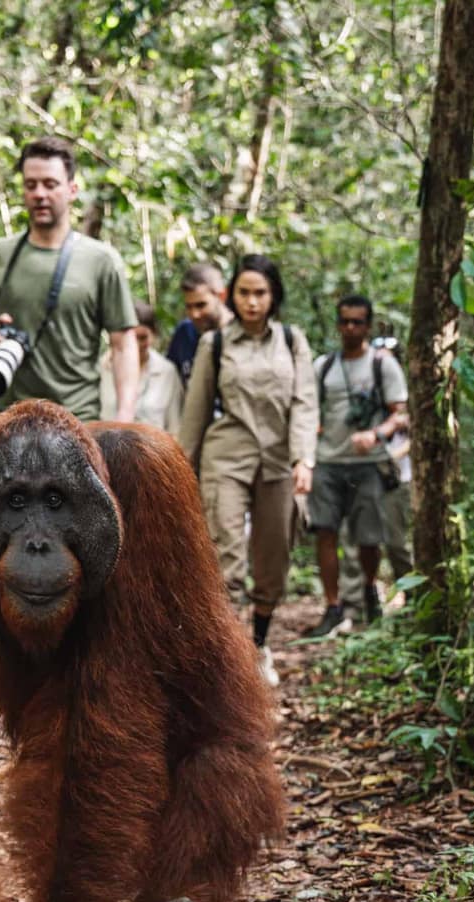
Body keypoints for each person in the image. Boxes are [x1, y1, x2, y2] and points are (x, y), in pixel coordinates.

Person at [178, 254, 317, 687]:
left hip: (278, 461)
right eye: (244, 293)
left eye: (260, 293)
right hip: (227, 457)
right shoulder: (214, 345)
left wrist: (304, 457)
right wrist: (182, 469)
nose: (252, 302)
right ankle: (224, 655)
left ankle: (259, 644)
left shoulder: (293, 342)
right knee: (225, 557)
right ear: (231, 296)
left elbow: (304, 403)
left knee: (273, 557)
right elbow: (195, 414)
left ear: (273, 296)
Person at [0, 137, 140, 422]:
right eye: (30, 185)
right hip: (7, 420)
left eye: (50, 184)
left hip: (77, 419)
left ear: (72, 190)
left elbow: (123, 343)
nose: (39, 194)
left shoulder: (101, 260)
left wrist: (125, 416)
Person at [305, 296, 409, 638]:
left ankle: (368, 593)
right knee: (325, 532)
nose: (350, 328)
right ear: (338, 323)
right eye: (345, 321)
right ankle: (333, 607)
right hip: (329, 462)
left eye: (358, 322)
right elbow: (309, 410)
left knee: (368, 539)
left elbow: (401, 413)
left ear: (368, 325)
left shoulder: (383, 365)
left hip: (369, 465)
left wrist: (377, 434)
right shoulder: (324, 366)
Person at [339, 335, 413, 622]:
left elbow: (412, 435)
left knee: (397, 543)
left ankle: (414, 603)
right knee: (358, 541)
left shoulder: (404, 398)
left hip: (394, 479)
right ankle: (360, 605)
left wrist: (387, 455)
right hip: (361, 476)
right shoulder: (361, 393)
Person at [100, 301, 184, 433]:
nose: (135, 345)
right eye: (130, 338)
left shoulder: (167, 372)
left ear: (154, 335)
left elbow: (175, 427)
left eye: (142, 338)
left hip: (154, 451)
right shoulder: (101, 369)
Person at [164, 263, 232, 386]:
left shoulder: (242, 332)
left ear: (221, 296)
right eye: (189, 307)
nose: (194, 314)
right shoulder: (184, 333)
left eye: (201, 305)